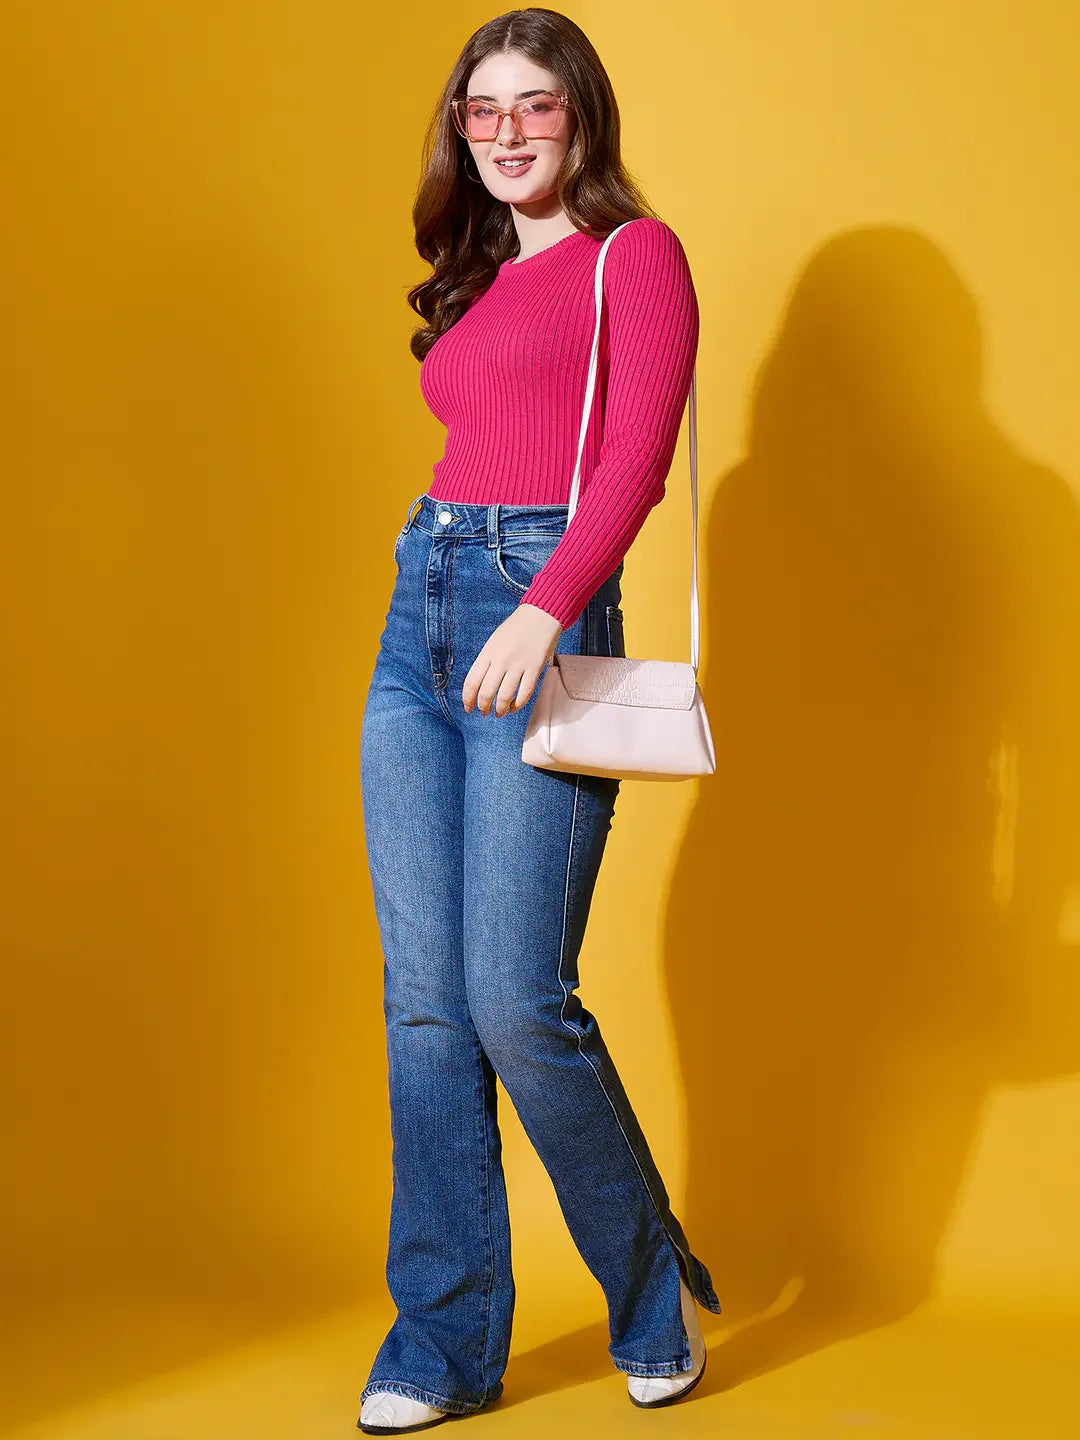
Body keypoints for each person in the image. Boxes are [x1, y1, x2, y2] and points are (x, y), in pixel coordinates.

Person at [357, 11, 721, 1433]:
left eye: (535, 108)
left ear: (583, 119)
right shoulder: (484, 273)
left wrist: (544, 604)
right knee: (429, 1011)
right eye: (480, 110)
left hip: (535, 609)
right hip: (418, 610)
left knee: (517, 999)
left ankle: (650, 1300)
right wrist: (462, 592)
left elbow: (634, 453)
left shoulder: (640, 256)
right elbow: (477, 439)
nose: (504, 133)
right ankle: (443, 1345)